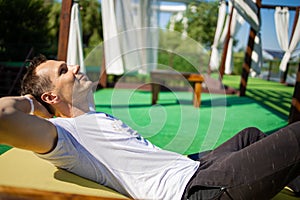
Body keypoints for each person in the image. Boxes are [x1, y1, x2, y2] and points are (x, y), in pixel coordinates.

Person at [0, 54, 299, 200]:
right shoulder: (66, 136)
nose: (75, 67)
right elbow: (2, 114)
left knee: (249, 135)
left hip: (193, 166)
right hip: (192, 191)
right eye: (64, 71)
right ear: (51, 96)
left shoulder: (92, 119)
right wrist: (33, 103)